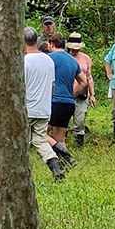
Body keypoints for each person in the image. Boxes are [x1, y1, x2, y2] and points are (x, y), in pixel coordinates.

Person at [23, 27, 65, 181]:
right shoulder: (48, 60)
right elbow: (52, 85)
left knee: (22, 142)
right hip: (44, 108)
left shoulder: (24, 61)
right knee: (40, 140)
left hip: (27, 108)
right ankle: (56, 169)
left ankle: (22, 173)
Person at [46, 33, 88, 169]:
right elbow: (84, 82)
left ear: (51, 44)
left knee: (38, 133)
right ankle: (65, 163)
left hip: (54, 101)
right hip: (68, 103)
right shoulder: (72, 61)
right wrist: (72, 94)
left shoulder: (49, 58)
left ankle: (65, 156)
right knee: (60, 138)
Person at [66, 32, 96, 147]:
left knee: (80, 119)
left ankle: (79, 143)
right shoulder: (65, 58)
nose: (75, 50)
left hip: (82, 94)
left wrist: (92, 94)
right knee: (65, 120)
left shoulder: (85, 58)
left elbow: (89, 77)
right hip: (68, 92)